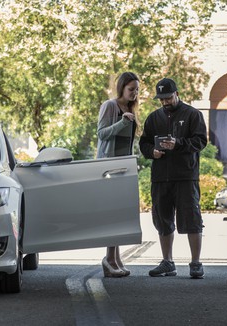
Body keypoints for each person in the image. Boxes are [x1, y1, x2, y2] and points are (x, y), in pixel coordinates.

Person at [138, 78, 207, 279]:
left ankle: (196, 263)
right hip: (160, 178)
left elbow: (201, 141)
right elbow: (144, 144)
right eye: (161, 99)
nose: (165, 102)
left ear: (177, 94)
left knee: (192, 219)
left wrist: (178, 143)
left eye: (168, 97)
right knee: (162, 219)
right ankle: (167, 262)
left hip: (186, 176)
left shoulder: (193, 114)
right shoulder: (153, 118)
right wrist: (153, 151)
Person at [96, 72, 140, 277]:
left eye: (137, 89)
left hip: (124, 167)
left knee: (120, 215)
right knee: (112, 215)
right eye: (131, 89)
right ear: (121, 88)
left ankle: (116, 258)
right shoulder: (110, 106)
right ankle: (109, 259)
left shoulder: (131, 108)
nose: (135, 93)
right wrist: (123, 121)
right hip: (108, 168)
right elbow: (102, 133)